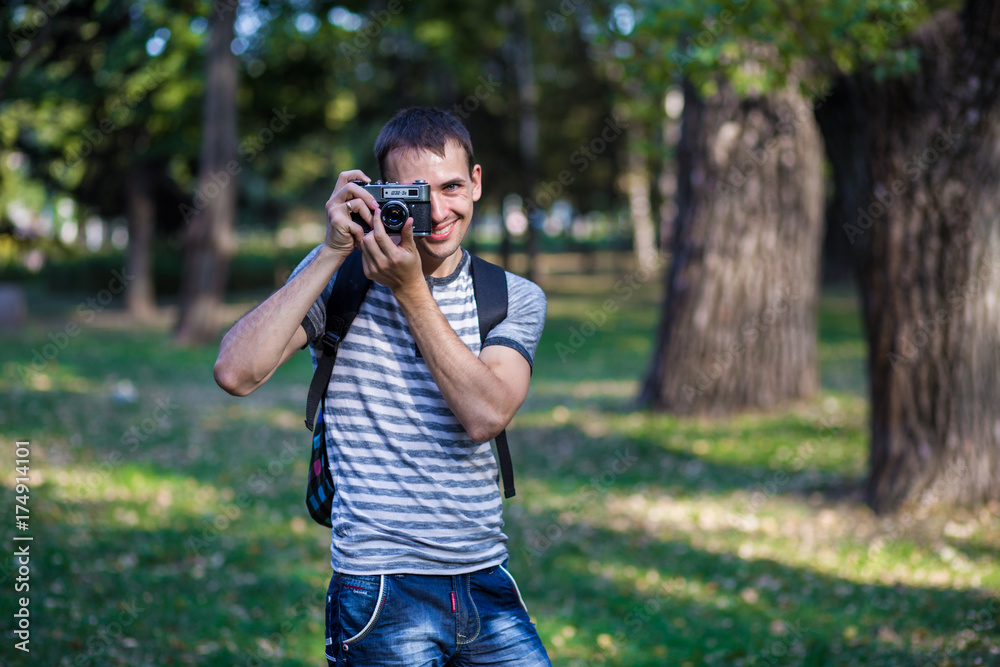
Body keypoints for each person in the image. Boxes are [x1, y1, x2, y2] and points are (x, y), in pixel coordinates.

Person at [213, 107, 550, 666]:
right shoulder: (340, 276)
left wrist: (411, 290)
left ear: (477, 183)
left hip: (486, 579)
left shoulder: (511, 296)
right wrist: (329, 252)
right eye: (415, 195)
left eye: (451, 187)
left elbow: (486, 416)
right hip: (378, 586)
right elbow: (235, 373)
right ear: (381, 192)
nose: (437, 213)